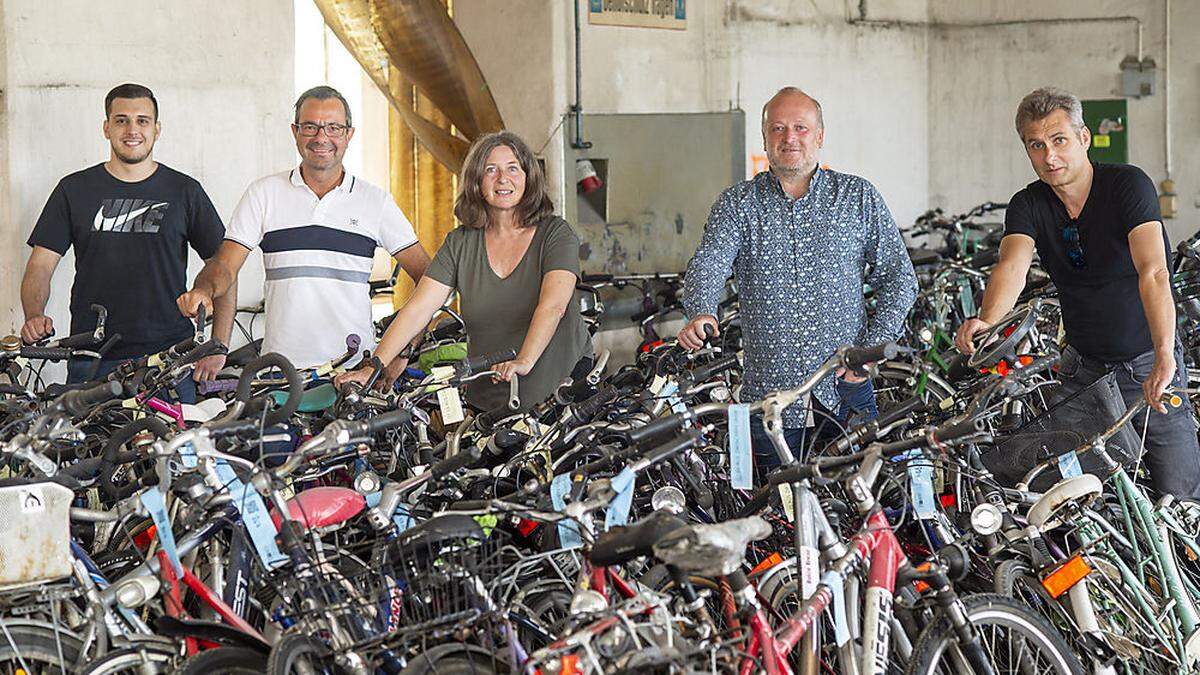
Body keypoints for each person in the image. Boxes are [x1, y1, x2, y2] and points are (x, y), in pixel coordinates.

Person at [955, 86, 1200, 498]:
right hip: (1084, 371)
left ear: (1083, 138)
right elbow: (1012, 264)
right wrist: (988, 320)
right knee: (1058, 489)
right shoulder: (1028, 204)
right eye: (1036, 145)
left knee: (1180, 491)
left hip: (1146, 364)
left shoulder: (1127, 186)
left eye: (1059, 140)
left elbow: (1154, 271)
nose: (1049, 156)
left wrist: (1163, 354)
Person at [677, 86, 917, 475]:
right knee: (777, 516)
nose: (790, 138)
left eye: (801, 128)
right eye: (778, 128)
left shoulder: (857, 197)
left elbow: (900, 279)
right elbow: (708, 264)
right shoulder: (737, 204)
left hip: (847, 389)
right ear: (765, 138)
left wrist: (870, 352)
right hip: (769, 399)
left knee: (859, 508)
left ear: (820, 136)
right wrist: (700, 310)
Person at [177, 86, 429, 382]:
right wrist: (204, 289)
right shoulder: (264, 194)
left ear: (349, 134)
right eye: (311, 127)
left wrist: (403, 349)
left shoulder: (375, 202)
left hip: (353, 376)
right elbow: (224, 265)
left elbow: (428, 275)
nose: (322, 137)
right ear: (295, 132)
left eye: (333, 127)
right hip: (280, 375)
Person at [335, 131, 592, 412]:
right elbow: (419, 308)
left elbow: (553, 306)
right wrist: (374, 366)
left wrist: (524, 361)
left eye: (513, 168)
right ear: (476, 182)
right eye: (490, 170)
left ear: (528, 177)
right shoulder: (461, 242)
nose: (502, 179)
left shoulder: (556, 234)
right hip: (491, 387)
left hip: (561, 387)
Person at [21, 83, 232, 400]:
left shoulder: (184, 191)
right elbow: (40, 266)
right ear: (106, 128)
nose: (132, 129)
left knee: (168, 449)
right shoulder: (74, 189)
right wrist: (33, 314)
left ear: (157, 129)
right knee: (91, 448)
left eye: (142, 120)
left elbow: (224, 267)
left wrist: (219, 344)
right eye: (121, 120)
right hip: (90, 357)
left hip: (169, 360)